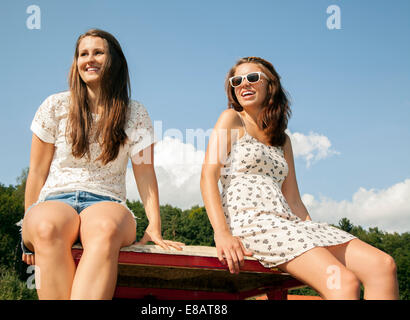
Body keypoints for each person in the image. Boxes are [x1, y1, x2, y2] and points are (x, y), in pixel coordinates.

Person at [200, 56, 399, 300]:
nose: (244, 84)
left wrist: (314, 235)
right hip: (252, 223)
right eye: (237, 80)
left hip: (289, 223)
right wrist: (222, 233)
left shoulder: (283, 140)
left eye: (252, 78)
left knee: (383, 265)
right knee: (344, 282)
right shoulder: (231, 119)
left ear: (270, 85)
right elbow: (208, 177)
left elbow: (293, 199)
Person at [20, 28, 184, 300]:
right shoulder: (54, 105)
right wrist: (28, 228)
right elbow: (37, 171)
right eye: (83, 54)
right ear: (76, 63)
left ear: (114, 61)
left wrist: (154, 224)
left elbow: (144, 172)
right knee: (47, 227)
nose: (89, 59)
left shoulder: (135, 113)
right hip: (54, 199)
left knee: (104, 229)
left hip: (107, 201)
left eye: (98, 52)